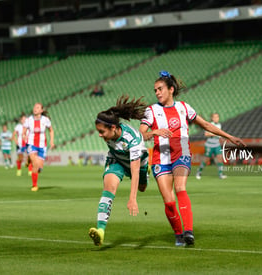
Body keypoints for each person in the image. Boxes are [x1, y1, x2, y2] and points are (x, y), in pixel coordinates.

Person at [139, 71, 245, 246]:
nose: (157, 93)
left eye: (160, 89)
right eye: (155, 90)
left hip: (182, 155)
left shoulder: (184, 108)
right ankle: (179, 234)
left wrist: (229, 137)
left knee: (180, 188)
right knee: (169, 202)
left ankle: (189, 232)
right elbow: (141, 135)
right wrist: (154, 132)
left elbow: (206, 125)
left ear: (171, 89)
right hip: (161, 158)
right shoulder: (151, 111)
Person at [89, 95, 149, 246]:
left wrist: (132, 198)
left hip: (138, 164)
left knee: (142, 188)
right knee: (108, 188)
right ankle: (100, 231)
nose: (100, 135)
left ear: (113, 128)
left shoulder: (133, 141)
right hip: (116, 160)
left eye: (102, 132)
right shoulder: (109, 133)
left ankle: (147, 171)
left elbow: (134, 172)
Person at [23, 103, 55, 191]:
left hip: (42, 145)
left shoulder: (45, 120)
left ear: (41, 110)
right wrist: (24, 135)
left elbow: (51, 130)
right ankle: (34, 185)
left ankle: (29, 160)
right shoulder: (28, 120)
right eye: (34, 107)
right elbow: (24, 131)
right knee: (35, 164)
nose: (35, 109)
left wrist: (51, 141)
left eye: (37, 108)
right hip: (31, 143)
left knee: (39, 168)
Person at [195, 113, 227, 180]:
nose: (216, 118)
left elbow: (218, 135)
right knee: (206, 160)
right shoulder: (209, 124)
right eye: (215, 117)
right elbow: (206, 134)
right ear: (212, 118)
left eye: (217, 117)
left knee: (220, 158)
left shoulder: (219, 125)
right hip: (209, 145)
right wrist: (216, 134)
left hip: (216, 144)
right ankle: (199, 171)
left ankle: (220, 174)